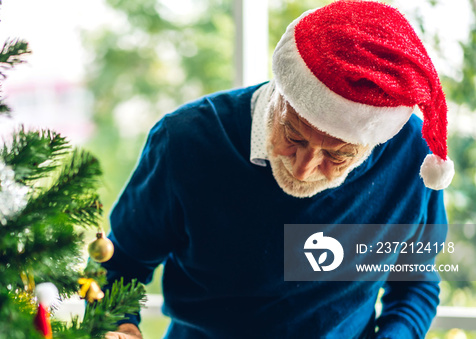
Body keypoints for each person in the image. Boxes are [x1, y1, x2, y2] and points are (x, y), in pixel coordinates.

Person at [103, 1, 454, 338]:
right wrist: (123, 326)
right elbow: (121, 261)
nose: (304, 170)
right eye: (294, 135)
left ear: (376, 141)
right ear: (279, 95)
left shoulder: (413, 160)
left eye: (338, 156)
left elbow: (415, 281)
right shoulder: (185, 141)